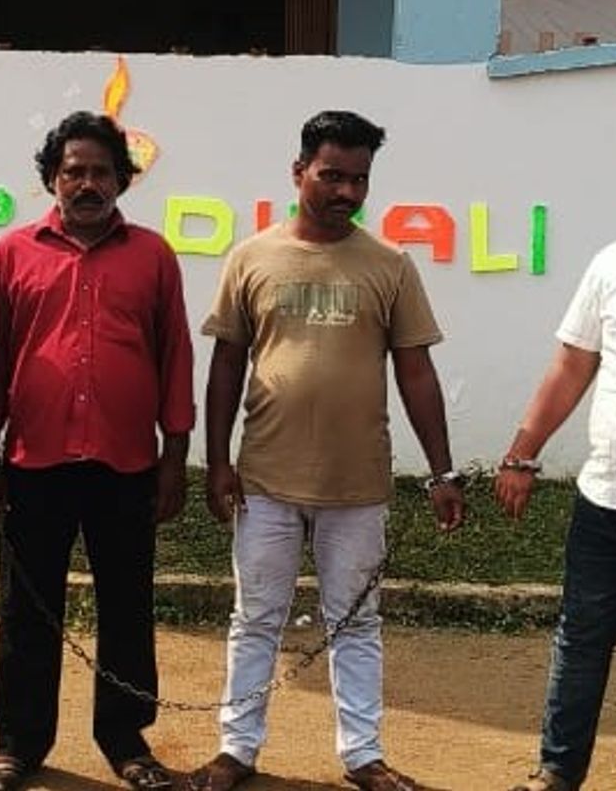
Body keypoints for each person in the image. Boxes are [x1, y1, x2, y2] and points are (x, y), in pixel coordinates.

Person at [186, 111, 465, 791]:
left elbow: (417, 372)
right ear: (299, 172)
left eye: (359, 180)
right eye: (332, 176)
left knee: (357, 622)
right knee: (256, 619)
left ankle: (363, 755)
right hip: (265, 480)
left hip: (357, 484)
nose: (346, 192)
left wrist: (442, 472)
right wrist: (218, 460)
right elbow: (226, 365)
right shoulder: (251, 258)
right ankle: (236, 750)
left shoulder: (390, 265)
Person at [0, 111, 195, 791]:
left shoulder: (153, 256)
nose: (88, 183)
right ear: (52, 178)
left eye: (102, 172)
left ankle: (126, 740)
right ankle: (18, 743)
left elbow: (175, 355)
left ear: (122, 180)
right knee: (27, 608)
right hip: (32, 463)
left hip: (125, 465)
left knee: (127, 604)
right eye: (74, 171)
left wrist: (174, 456)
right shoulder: (13, 253)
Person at [497, 237, 616, 791]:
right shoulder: (615, 263)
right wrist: (522, 454)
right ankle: (558, 770)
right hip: (608, 496)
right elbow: (573, 364)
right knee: (581, 639)